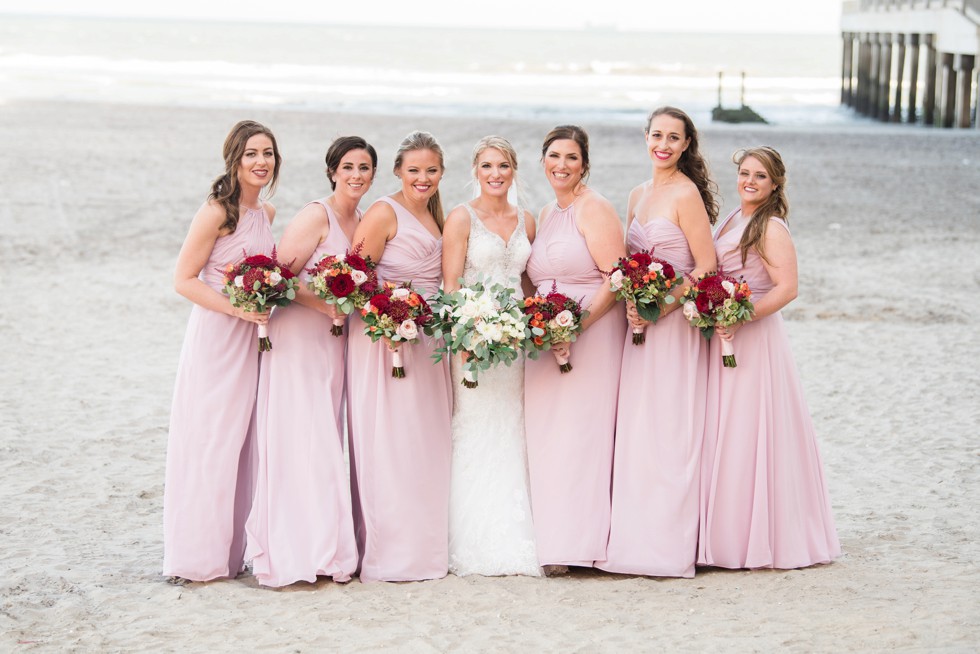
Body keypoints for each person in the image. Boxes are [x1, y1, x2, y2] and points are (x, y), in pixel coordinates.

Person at [698, 146, 841, 569]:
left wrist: (741, 318)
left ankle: (758, 535)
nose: (750, 181)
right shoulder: (733, 218)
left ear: (775, 183)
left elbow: (787, 287)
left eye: (760, 176)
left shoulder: (770, 226)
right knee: (728, 429)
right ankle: (729, 531)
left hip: (754, 339)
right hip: (726, 332)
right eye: (745, 173)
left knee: (749, 429)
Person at [243, 136, 377, 587]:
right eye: (348, 167)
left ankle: (326, 549)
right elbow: (272, 275)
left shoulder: (359, 218)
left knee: (324, 439)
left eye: (364, 168)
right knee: (302, 439)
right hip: (298, 337)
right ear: (332, 171)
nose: (356, 175)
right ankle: (295, 551)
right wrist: (323, 305)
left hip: (333, 343)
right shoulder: (316, 214)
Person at [597, 106, 718, 578]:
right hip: (638, 327)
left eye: (674, 137)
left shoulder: (686, 195)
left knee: (670, 430)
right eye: (657, 135)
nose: (663, 145)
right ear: (645, 138)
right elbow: (628, 263)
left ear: (686, 145)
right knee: (638, 430)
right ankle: (633, 540)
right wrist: (633, 299)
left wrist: (662, 307)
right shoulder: (637, 194)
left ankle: (668, 546)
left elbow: (706, 267)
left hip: (673, 329)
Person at [163, 120, 280, 583]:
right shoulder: (216, 212)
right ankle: (196, 558)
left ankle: (231, 553)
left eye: (268, 153)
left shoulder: (266, 214)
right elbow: (183, 280)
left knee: (241, 442)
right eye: (252, 153)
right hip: (217, 337)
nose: (261, 162)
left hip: (251, 340)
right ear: (233, 159)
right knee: (209, 440)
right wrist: (239, 309)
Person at [345, 131, 453, 582]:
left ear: (441, 172)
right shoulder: (383, 211)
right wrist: (394, 310)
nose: (422, 178)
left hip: (428, 339)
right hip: (387, 338)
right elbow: (353, 276)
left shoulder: (437, 216)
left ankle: (427, 546)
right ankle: (393, 552)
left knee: (427, 442)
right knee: (392, 442)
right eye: (414, 170)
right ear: (397, 171)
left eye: (431, 170)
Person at [524, 125, 627, 571]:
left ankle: (581, 545)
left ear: (584, 164)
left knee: (583, 436)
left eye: (571, 157)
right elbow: (533, 274)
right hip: (546, 335)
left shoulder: (595, 208)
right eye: (553, 156)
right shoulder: (548, 210)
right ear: (543, 161)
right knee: (548, 437)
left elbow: (617, 278)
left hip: (591, 334)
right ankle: (554, 539)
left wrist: (577, 326)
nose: (561, 165)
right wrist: (537, 319)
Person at [441, 136, 541, 577]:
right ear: (475, 170)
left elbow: (529, 286)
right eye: (487, 166)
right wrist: (465, 332)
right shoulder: (461, 218)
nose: (495, 174)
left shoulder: (528, 221)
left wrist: (538, 322)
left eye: (503, 165)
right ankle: (471, 538)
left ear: (514, 170)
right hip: (472, 342)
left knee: (513, 429)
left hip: (516, 345)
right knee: (477, 431)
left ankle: (517, 533)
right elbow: (449, 285)